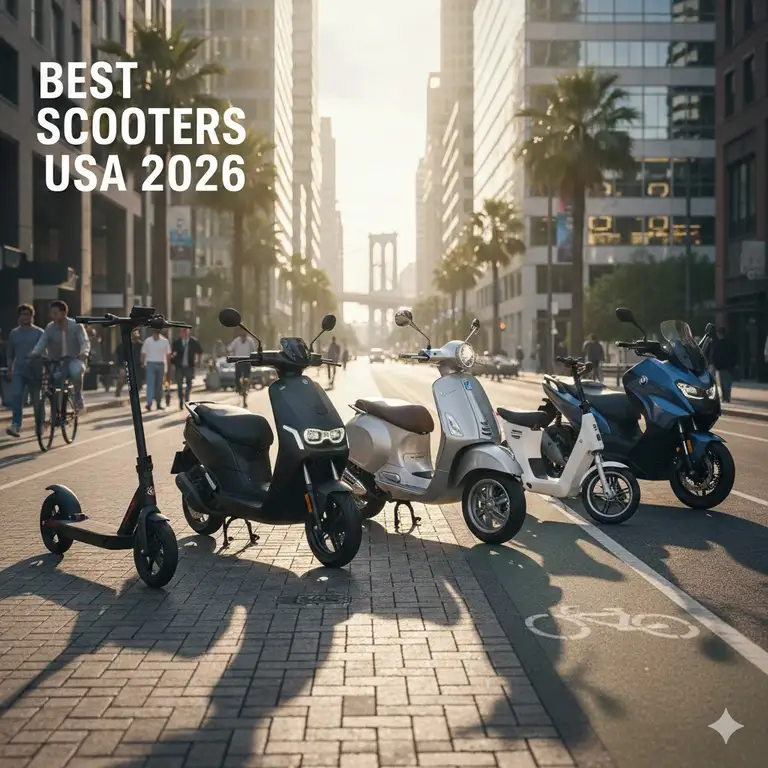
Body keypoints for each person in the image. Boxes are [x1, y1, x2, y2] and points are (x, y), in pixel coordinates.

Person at [29, 300, 90, 412]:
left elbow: (84, 342)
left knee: (77, 371)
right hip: (56, 360)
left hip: (73, 359)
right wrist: (34, 353)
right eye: (51, 313)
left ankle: (78, 396)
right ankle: (55, 411)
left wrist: (84, 353)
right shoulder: (50, 327)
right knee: (53, 381)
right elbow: (42, 342)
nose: (52, 316)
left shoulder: (76, 326)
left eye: (55, 313)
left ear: (63, 313)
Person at [5, 304, 44, 437]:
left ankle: (40, 424)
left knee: (36, 400)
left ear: (32, 317)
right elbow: (10, 354)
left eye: (27, 314)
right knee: (17, 396)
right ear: (19, 316)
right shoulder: (14, 333)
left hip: (35, 372)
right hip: (19, 371)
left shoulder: (39, 333)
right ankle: (16, 425)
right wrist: (10, 369)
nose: (25, 317)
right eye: (22, 314)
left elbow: (45, 352)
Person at [171, 328, 202, 409]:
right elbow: (172, 354)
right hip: (179, 366)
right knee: (179, 385)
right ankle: (181, 400)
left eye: (185, 331)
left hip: (189, 366)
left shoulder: (193, 341)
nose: (183, 333)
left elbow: (199, 351)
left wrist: (197, 361)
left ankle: (187, 397)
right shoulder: (177, 342)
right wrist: (173, 361)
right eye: (182, 331)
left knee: (189, 383)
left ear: (188, 332)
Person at [141, 329, 171, 411]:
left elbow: (168, 355)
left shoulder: (164, 341)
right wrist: (143, 363)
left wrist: (168, 366)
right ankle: (150, 403)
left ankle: (157, 403)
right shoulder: (148, 341)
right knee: (151, 384)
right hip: (152, 363)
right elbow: (143, 353)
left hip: (160, 363)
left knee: (158, 385)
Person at [711, 327, 738, 403]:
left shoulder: (717, 344)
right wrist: (734, 363)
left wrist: (715, 364)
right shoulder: (731, 343)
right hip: (729, 366)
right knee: (728, 382)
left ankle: (724, 397)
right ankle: (727, 397)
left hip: (720, 366)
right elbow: (735, 354)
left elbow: (714, 355)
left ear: (719, 334)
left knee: (722, 383)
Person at [228, 330, 257, 396]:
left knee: (246, 376)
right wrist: (230, 353)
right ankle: (239, 389)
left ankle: (245, 388)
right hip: (238, 361)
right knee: (237, 377)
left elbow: (253, 350)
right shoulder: (236, 341)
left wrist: (253, 358)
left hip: (247, 361)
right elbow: (230, 348)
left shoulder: (250, 341)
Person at [114, 329, 143, 398]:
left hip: (136, 365)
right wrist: (120, 365)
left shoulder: (140, 345)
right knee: (122, 378)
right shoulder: (123, 345)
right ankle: (118, 391)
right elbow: (119, 355)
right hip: (125, 364)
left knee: (137, 381)